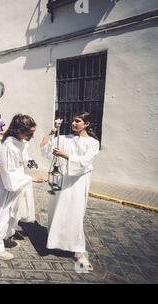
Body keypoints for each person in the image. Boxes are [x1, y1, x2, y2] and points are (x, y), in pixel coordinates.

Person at [40, 112, 100, 271]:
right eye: (73, 120)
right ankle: (55, 241)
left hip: (79, 182)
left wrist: (65, 155)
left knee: (75, 213)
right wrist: (52, 131)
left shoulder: (93, 143)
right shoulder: (64, 138)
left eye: (77, 121)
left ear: (86, 124)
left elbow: (85, 162)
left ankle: (79, 250)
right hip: (62, 180)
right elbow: (44, 148)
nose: (73, 123)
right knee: (58, 210)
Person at [0, 114, 46, 260]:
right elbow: (9, 176)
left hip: (19, 181)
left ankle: (6, 236)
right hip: (11, 185)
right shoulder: (8, 146)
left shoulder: (20, 141)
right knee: (4, 214)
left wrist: (31, 163)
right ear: (18, 130)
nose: (31, 137)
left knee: (14, 214)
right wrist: (32, 179)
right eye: (29, 133)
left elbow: (24, 154)